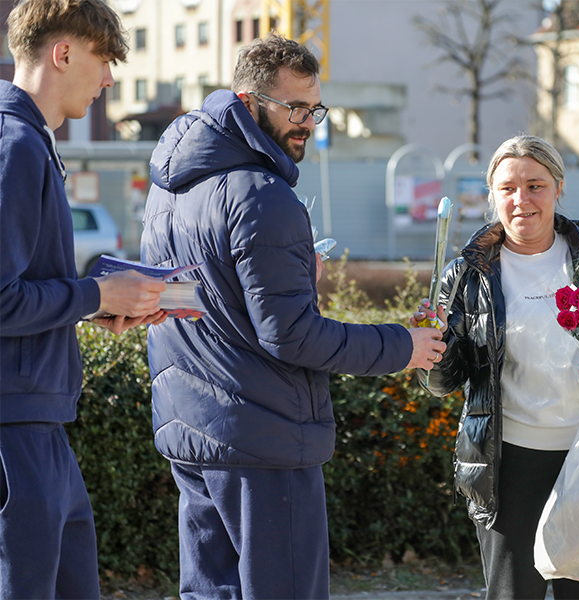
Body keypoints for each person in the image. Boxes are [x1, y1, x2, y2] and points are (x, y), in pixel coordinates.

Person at [140, 34, 446, 600]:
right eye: (294, 108)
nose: (307, 123)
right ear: (247, 99)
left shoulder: (171, 188)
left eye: (314, 109)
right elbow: (292, 335)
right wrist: (404, 346)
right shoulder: (261, 194)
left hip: (192, 431)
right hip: (262, 439)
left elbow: (200, 303)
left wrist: (294, 275)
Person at [412, 135, 579, 600]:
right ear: (491, 194)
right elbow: (440, 383)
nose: (521, 199)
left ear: (558, 188)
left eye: (535, 185)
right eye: (508, 188)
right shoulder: (466, 275)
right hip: (506, 465)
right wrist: (429, 346)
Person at [0, 1, 168, 598]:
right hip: (15, 431)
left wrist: (94, 303)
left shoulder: (28, 142)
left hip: (38, 423)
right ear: (62, 53)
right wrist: (96, 291)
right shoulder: (15, 145)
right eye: (103, 59)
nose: (110, 79)